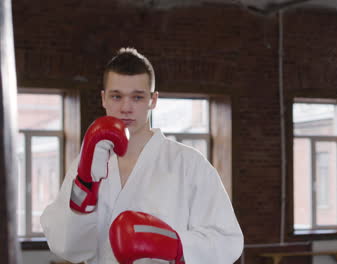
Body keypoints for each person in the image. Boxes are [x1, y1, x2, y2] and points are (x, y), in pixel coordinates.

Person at [40, 47, 244, 264]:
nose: (126, 108)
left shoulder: (189, 164)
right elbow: (66, 247)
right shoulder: (87, 164)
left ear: (153, 100)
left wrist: (174, 245)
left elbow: (228, 241)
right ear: (103, 99)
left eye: (137, 97)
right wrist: (85, 184)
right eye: (116, 96)